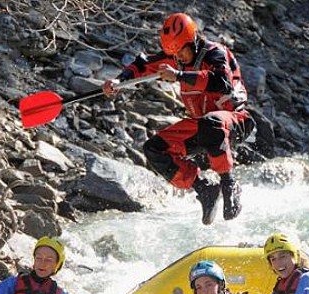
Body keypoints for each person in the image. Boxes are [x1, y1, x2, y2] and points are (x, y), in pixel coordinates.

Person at [103, 12, 266, 225]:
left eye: (182, 52)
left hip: (236, 121)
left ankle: (229, 184)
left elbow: (221, 82)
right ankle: (204, 189)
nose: (179, 58)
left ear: (193, 41)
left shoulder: (215, 53)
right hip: (202, 126)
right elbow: (142, 64)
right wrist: (118, 80)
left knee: (211, 122)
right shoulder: (175, 56)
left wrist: (179, 76)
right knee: (154, 149)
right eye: (175, 54)